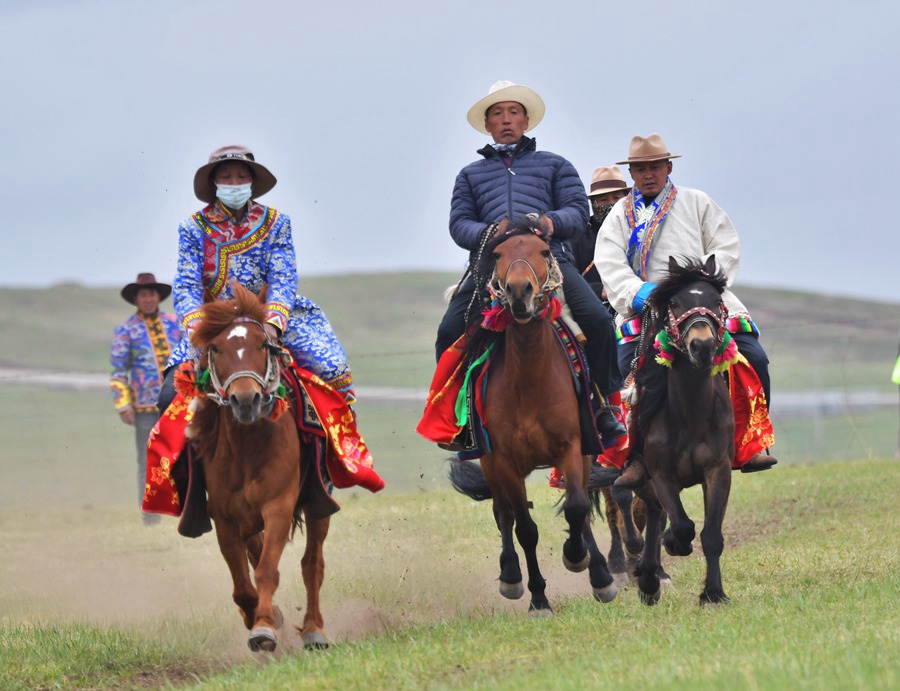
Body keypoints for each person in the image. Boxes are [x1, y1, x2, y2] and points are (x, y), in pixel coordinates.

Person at [435, 80, 625, 442]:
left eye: (514, 112)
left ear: (526, 121)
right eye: (497, 114)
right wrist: (490, 233)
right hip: (491, 266)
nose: (506, 120)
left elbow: (576, 210)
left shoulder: (556, 166)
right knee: (448, 332)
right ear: (488, 124)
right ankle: (455, 419)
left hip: (549, 260)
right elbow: (459, 225)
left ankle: (606, 408)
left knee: (599, 320)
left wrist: (551, 223)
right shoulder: (469, 175)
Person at [595, 133, 777, 487]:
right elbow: (609, 261)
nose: (648, 175)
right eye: (640, 169)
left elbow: (725, 245)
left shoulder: (697, 203)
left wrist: (703, 283)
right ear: (631, 173)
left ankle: (749, 442)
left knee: (755, 357)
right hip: (647, 308)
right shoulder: (620, 215)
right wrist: (639, 291)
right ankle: (633, 456)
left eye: (655, 167)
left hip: (702, 304)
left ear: (669, 167)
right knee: (623, 373)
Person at [157, 144, 355, 414]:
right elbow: (187, 285)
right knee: (170, 396)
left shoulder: (276, 222)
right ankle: (169, 458)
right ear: (214, 182)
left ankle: (341, 450)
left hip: (268, 315)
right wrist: (198, 327)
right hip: (214, 320)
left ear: (252, 180)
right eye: (226, 177)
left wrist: (274, 323)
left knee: (332, 371)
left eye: (241, 176)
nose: (234, 183)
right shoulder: (192, 228)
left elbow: (282, 277)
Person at [110, 273, 182, 525]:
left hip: (178, 403)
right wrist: (122, 404)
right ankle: (151, 515)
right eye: (144, 294)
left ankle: (184, 508)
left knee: (184, 454)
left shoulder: (175, 325)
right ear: (136, 299)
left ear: (158, 297)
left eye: (152, 293)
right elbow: (118, 371)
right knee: (148, 459)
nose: (149, 298)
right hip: (144, 406)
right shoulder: (125, 331)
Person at [571, 165, 631, 307]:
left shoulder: (639, 231)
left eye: (616, 198)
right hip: (595, 306)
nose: (611, 204)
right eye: (603, 200)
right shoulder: (579, 236)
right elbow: (569, 280)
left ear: (626, 199)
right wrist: (599, 291)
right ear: (593, 203)